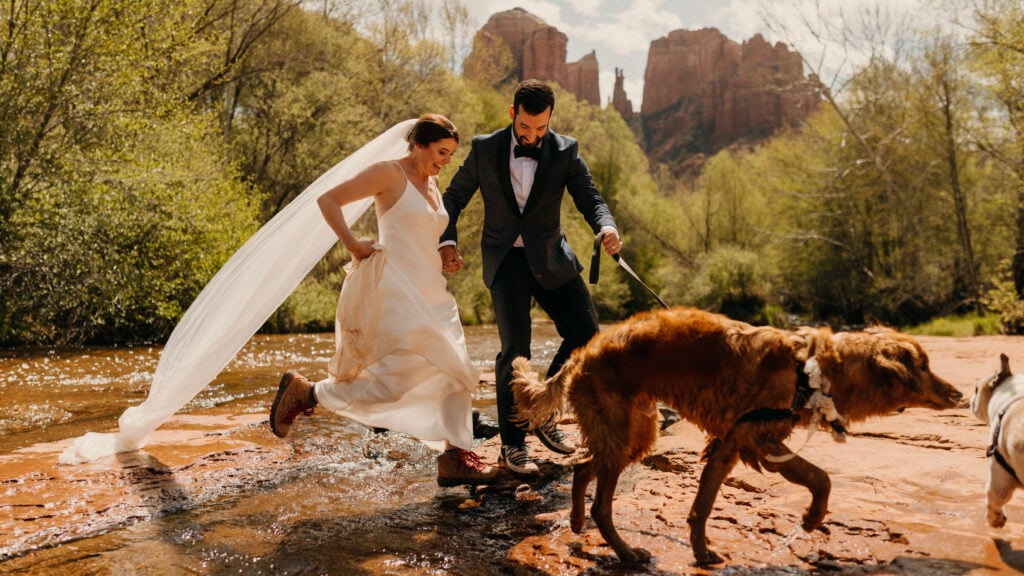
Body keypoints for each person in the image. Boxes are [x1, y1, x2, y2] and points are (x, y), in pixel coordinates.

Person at [269, 114, 498, 488]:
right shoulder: (388, 173)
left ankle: (455, 457)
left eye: (451, 154)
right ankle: (307, 392)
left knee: (457, 371)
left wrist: (445, 253)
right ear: (419, 145)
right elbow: (329, 200)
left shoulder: (432, 181)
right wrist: (352, 244)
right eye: (441, 152)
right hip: (397, 290)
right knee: (393, 384)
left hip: (434, 292)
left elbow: (422, 232)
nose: (446, 160)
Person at [440, 80, 623, 475]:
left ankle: (543, 410)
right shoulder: (485, 149)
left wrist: (606, 227)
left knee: (586, 334)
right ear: (512, 113)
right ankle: (513, 446)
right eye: (525, 127)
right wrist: (446, 242)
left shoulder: (565, 150)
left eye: (541, 128)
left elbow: (590, 198)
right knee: (515, 350)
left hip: (553, 258)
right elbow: (452, 199)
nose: (532, 136)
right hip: (505, 261)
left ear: (550, 118)